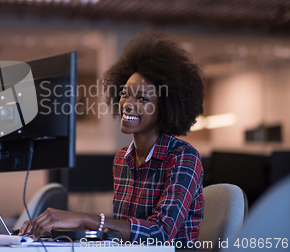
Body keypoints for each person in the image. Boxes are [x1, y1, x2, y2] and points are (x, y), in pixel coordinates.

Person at [20, 31, 205, 246]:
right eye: (125, 93)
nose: (127, 103)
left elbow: (160, 234)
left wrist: (83, 218)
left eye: (142, 98)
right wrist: (65, 226)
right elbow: (122, 231)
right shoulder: (121, 159)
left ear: (166, 108)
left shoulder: (184, 157)